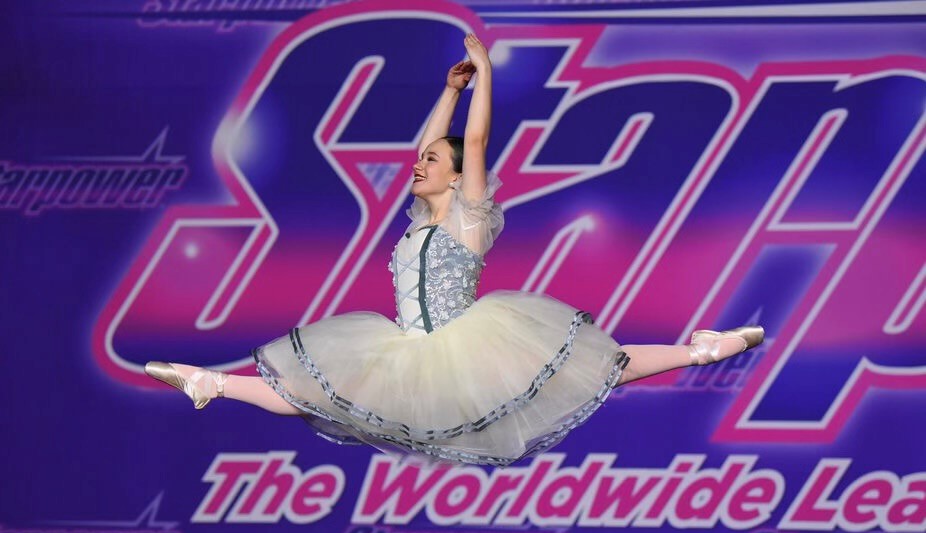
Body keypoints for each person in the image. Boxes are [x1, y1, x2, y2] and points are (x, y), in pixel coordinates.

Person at [145, 34, 763, 466]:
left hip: (466, 348)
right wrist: (449, 92)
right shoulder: (420, 219)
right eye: (422, 160)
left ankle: (703, 349)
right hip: (407, 350)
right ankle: (211, 382)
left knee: (604, 367)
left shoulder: (469, 215)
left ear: (459, 175)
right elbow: (432, 144)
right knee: (311, 391)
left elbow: (477, 140)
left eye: (433, 162)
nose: (419, 166)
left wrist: (484, 77)